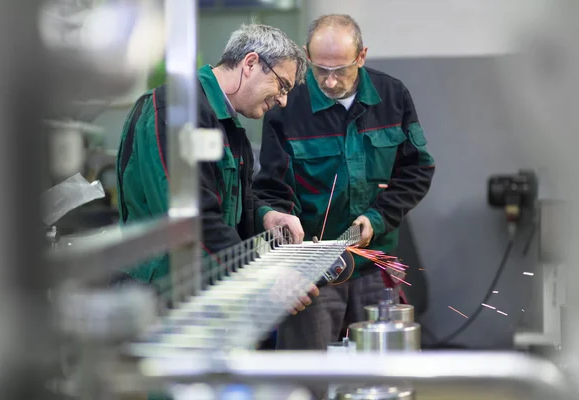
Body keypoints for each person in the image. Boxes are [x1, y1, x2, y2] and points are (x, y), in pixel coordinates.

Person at [253, 14, 435, 353]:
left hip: (374, 263)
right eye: (321, 70)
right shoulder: (287, 106)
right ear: (307, 56)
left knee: (380, 374)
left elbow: (417, 170)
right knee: (308, 377)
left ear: (361, 56)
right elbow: (272, 190)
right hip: (312, 275)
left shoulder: (392, 96)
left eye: (341, 71)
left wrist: (377, 218)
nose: (331, 82)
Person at [115, 24, 317, 314]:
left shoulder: (227, 124)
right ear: (250, 63)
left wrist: (266, 215)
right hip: (160, 296)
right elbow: (191, 219)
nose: (283, 100)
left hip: (202, 288)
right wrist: (264, 278)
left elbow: (228, 198)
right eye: (282, 85)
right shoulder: (175, 111)